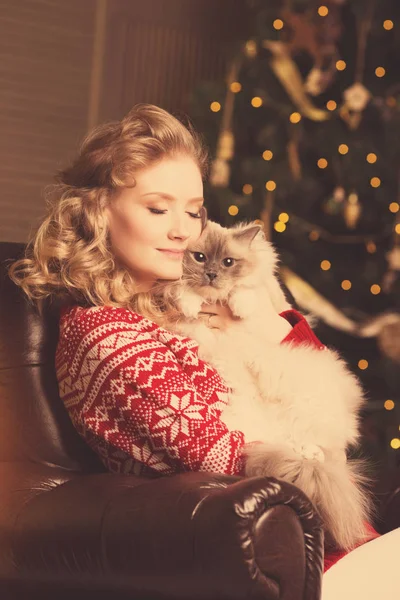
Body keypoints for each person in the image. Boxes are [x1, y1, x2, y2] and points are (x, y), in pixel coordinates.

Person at [8, 104, 397, 591]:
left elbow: (327, 393)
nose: (182, 230)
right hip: (304, 568)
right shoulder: (104, 334)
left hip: (341, 545)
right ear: (100, 211)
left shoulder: (193, 298)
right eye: (157, 208)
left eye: (193, 211)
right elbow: (218, 455)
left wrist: (269, 327)